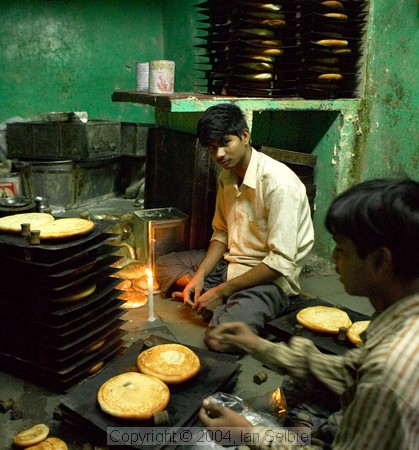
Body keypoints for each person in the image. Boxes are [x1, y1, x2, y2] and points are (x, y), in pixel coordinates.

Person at [199, 178, 419, 449]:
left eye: (341, 249)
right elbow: (349, 372)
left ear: (380, 261)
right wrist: (257, 344)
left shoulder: (391, 370)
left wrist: (251, 433)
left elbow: (375, 377)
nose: (335, 260)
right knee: (299, 383)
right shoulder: (402, 316)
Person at [156, 103, 314, 353]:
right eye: (211, 148)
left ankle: (228, 304)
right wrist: (200, 277)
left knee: (220, 339)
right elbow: (221, 233)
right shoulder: (227, 177)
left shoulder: (280, 185)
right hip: (229, 265)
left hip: (266, 279)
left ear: (245, 136)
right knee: (164, 265)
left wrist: (221, 291)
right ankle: (217, 300)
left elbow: (280, 263)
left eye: (225, 143)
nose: (219, 154)